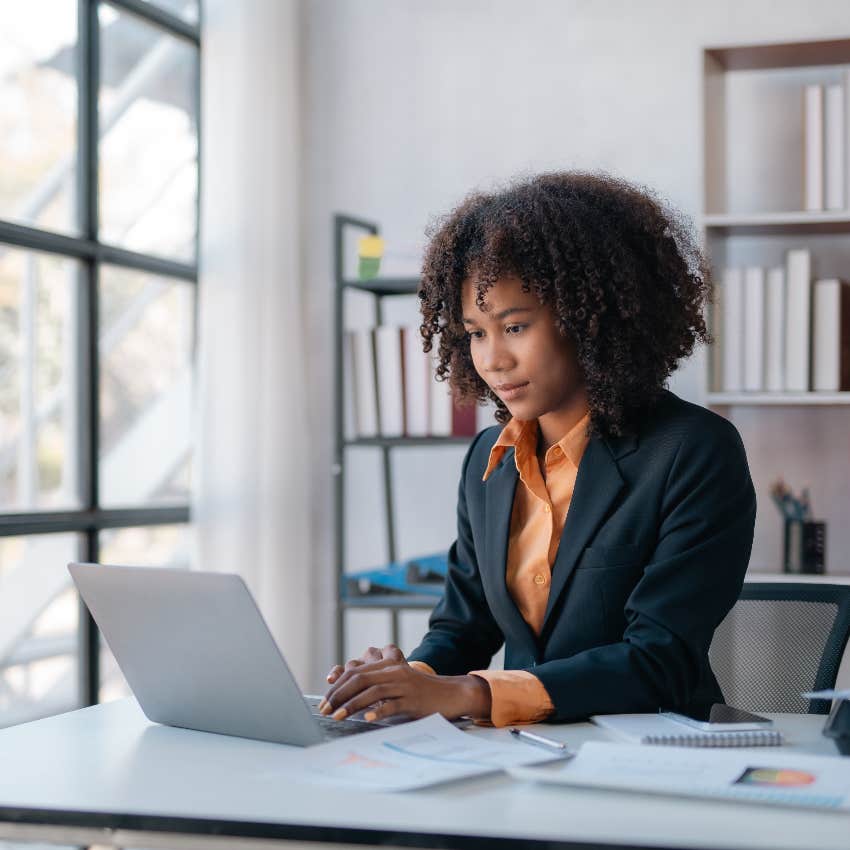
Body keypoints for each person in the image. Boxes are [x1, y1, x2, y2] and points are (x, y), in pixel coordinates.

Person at [319, 171, 756, 727]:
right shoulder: (488, 459)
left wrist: (469, 696)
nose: (493, 359)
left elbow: (659, 659)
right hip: (525, 756)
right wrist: (408, 683)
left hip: (652, 755)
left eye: (515, 326)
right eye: (475, 333)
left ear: (588, 320)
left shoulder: (693, 452)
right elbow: (463, 627)